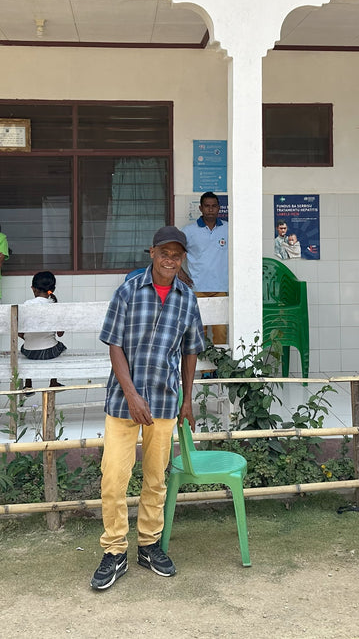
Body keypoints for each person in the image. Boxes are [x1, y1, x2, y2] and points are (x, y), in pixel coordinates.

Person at [91, 226, 208, 591]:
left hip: (164, 401)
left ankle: (148, 545)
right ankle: (114, 551)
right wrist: (131, 394)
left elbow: (191, 351)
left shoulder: (186, 298)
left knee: (156, 477)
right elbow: (114, 345)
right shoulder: (127, 292)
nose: (170, 259)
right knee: (113, 477)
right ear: (152, 253)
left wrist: (187, 399)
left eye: (177, 254)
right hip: (123, 402)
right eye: (164, 253)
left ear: (182, 258)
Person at [182, 192, 229, 345]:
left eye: (214, 206)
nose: (210, 209)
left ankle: (219, 369)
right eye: (207, 206)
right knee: (198, 333)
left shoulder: (229, 229)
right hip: (197, 288)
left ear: (219, 208)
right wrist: (179, 272)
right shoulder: (188, 231)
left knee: (221, 334)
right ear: (201, 208)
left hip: (221, 288)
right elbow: (175, 253)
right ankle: (204, 370)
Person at [19, 271, 66, 392]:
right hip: (49, 352)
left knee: (25, 346)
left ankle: (28, 384)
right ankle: (53, 382)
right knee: (60, 347)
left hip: (29, 352)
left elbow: (19, 332)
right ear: (52, 289)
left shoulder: (26, 305)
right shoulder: (54, 305)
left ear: (33, 289)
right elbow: (60, 333)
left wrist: (29, 338)